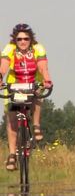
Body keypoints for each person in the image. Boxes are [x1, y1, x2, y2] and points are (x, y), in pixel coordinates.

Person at [0, 24, 53, 171]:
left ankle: (36, 126)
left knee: (38, 94)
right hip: (14, 84)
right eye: (19, 39)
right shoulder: (9, 49)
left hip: (32, 82)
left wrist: (47, 79)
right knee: (11, 118)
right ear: (14, 40)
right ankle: (12, 155)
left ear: (31, 39)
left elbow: (43, 67)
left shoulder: (38, 49)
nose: (23, 42)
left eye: (26, 39)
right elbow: (3, 67)